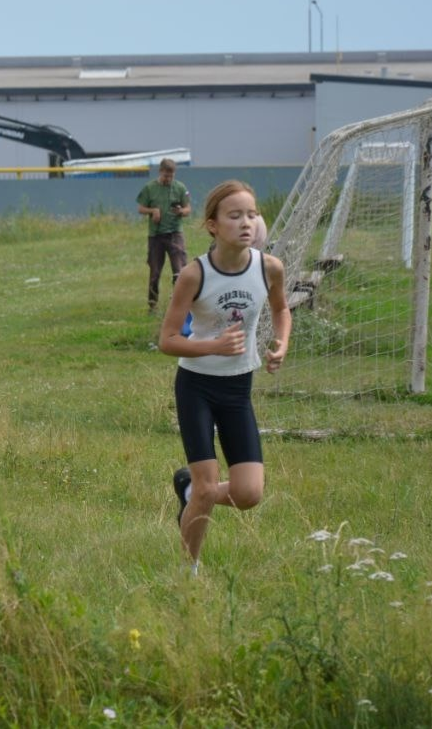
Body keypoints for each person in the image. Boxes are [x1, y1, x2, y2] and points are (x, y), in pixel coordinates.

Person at [158, 180, 291, 576]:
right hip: (196, 387)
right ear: (213, 225)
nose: (246, 223)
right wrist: (212, 346)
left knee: (248, 494)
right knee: (206, 486)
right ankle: (188, 572)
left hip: (238, 389)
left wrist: (280, 343)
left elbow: (282, 310)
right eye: (235, 216)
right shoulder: (193, 275)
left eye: (252, 214)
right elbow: (166, 341)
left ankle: (189, 489)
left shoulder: (269, 268)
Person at [136, 157, 191, 311]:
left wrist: (181, 211)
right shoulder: (149, 188)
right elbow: (140, 208)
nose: (168, 179)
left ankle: (180, 304)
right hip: (156, 235)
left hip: (175, 233)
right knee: (155, 272)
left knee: (179, 271)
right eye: (166, 176)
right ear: (160, 172)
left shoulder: (180, 188)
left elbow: (188, 209)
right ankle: (152, 305)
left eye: (171, 176)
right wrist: (152, 210)